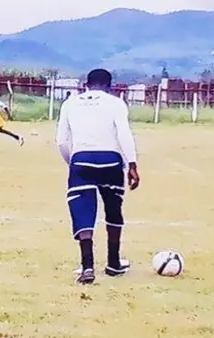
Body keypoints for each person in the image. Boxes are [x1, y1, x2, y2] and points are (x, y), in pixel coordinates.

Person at [56, 68, 140, 285]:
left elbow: (61, 141)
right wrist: (132, 163)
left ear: (86, 84)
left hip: (81, 159)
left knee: (82, 210)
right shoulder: (116, 103)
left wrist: (72, 162)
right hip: (111, 161)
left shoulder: (70, 103)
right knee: (113, 210)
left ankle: (87, 266)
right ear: (109, 85)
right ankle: (113, 264)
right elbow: (124, 134)